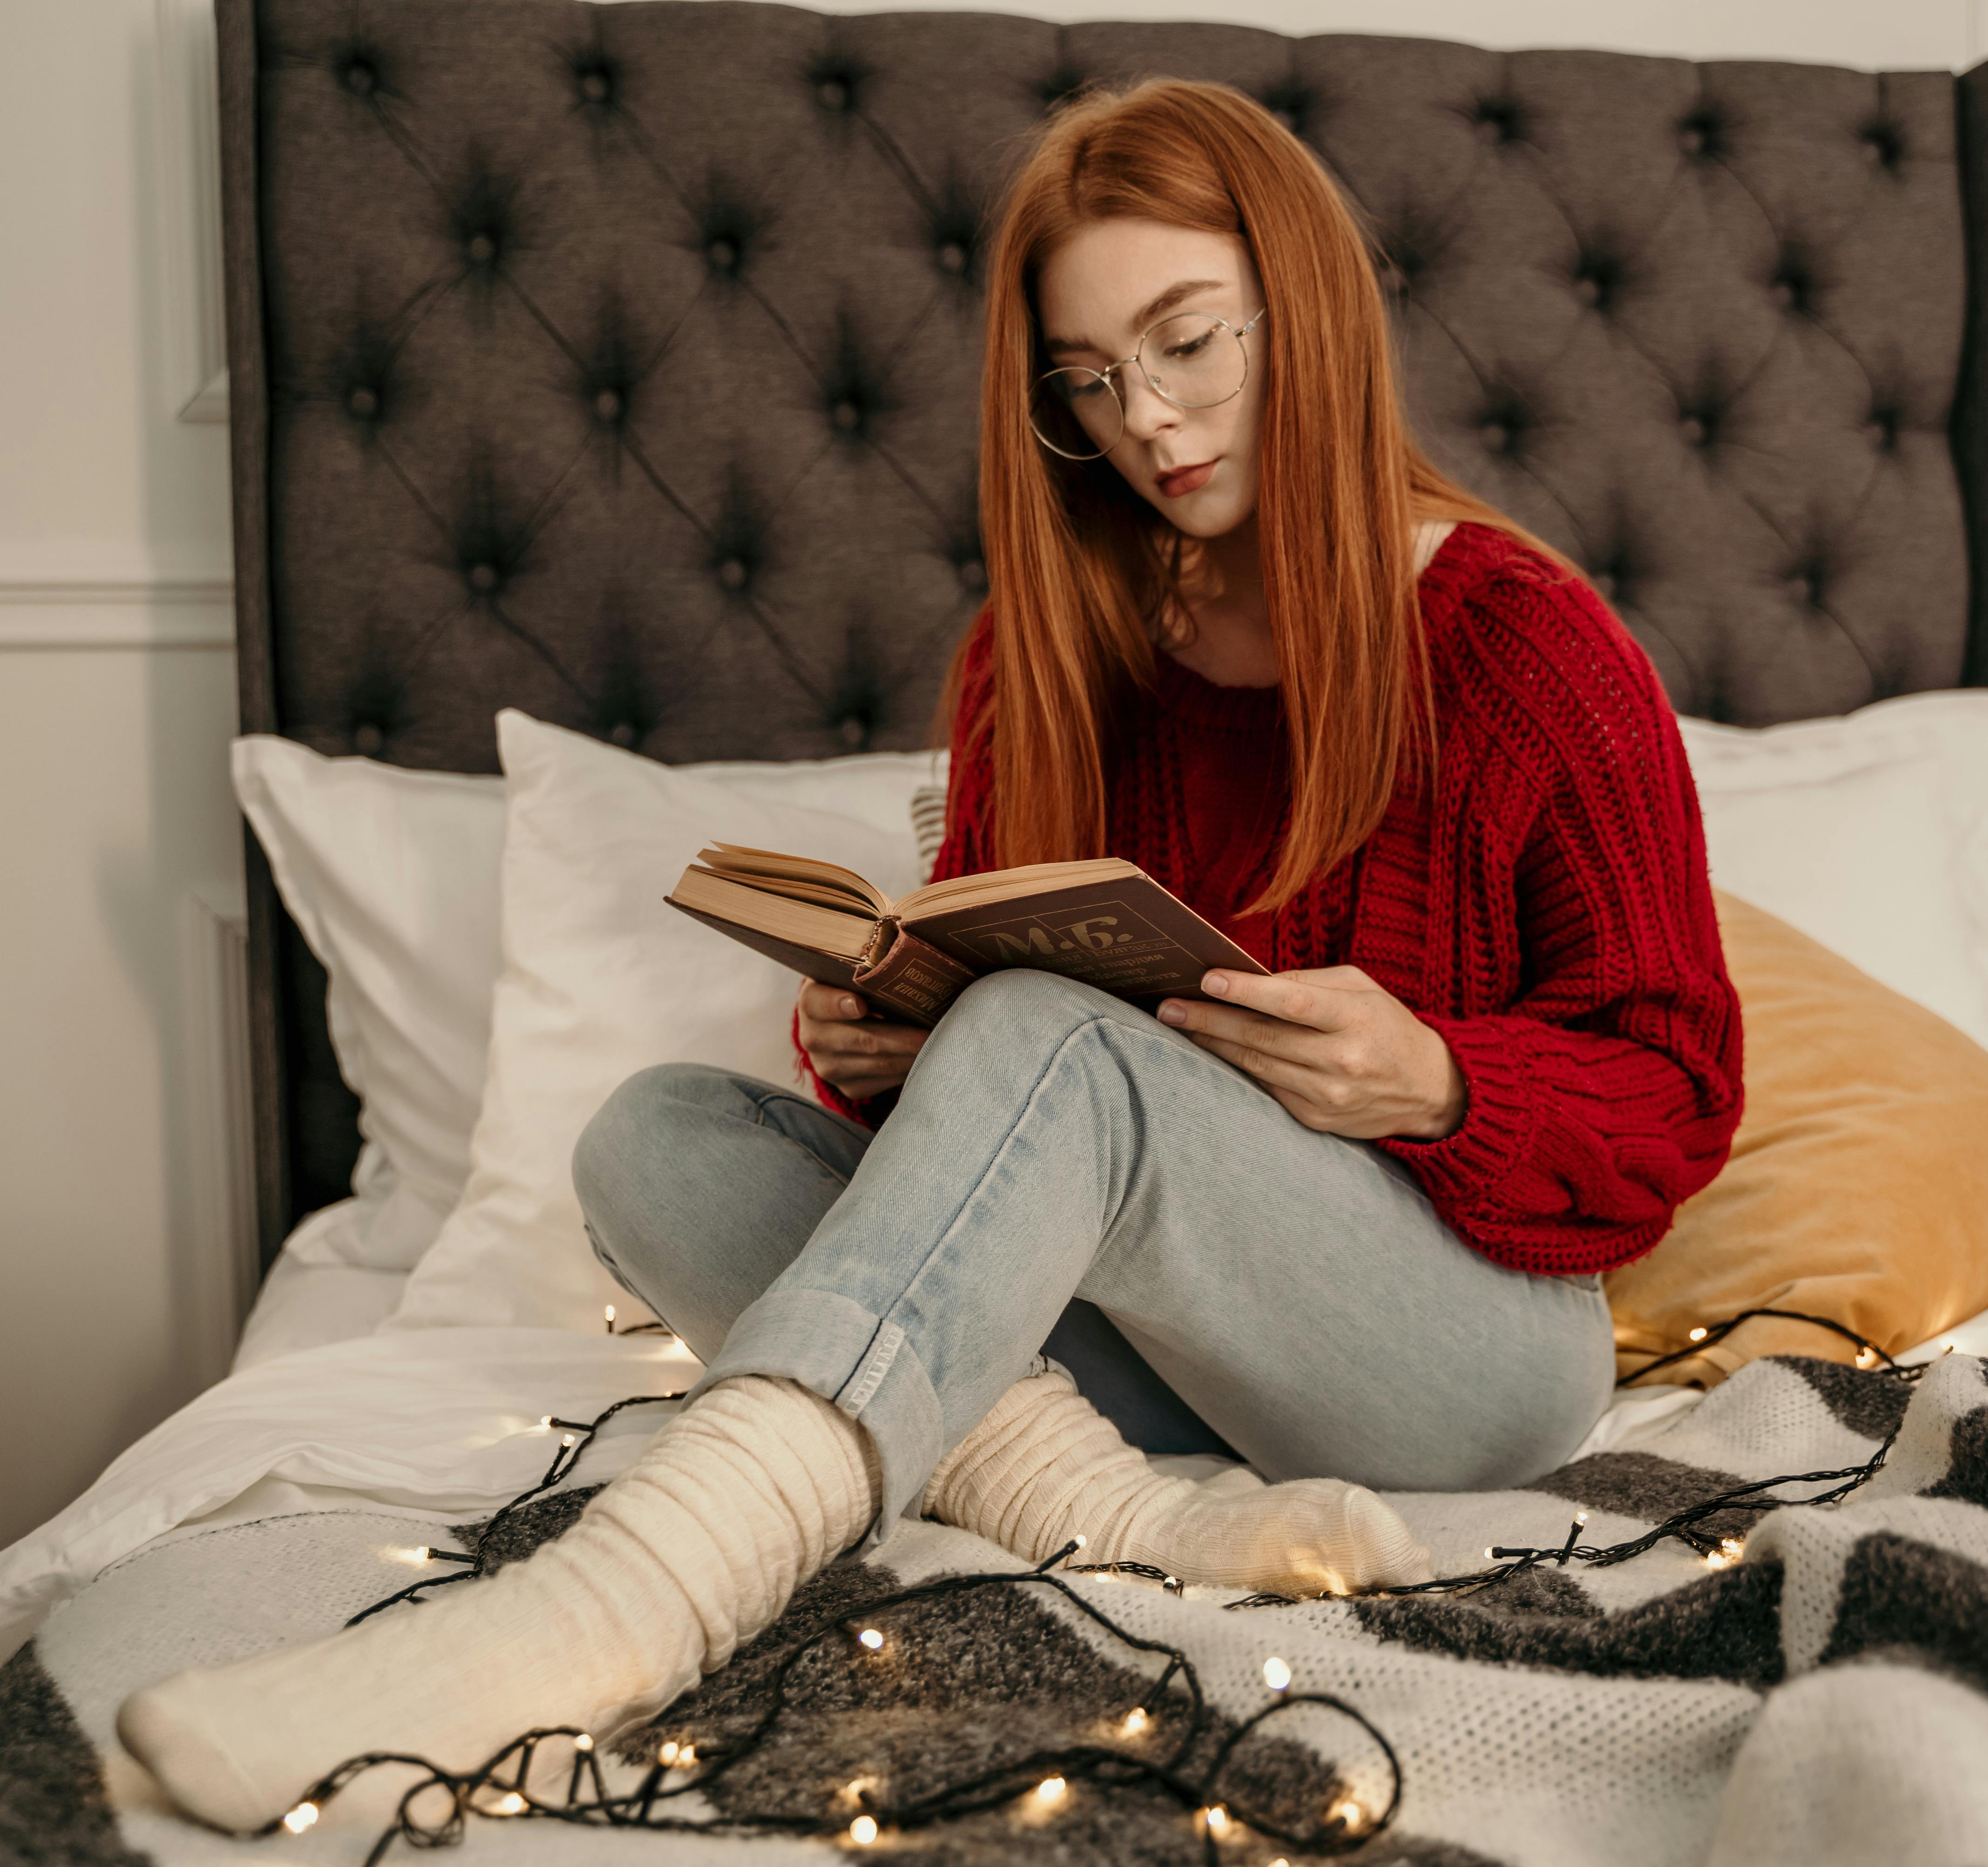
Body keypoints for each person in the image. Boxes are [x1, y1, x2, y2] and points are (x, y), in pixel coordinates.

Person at [116, 77, 1741, 1834]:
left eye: (1192, 343)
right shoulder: (1038, 655)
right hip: (1147, 1333)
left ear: (1310, 311)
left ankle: (598, 1617)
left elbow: (1679, 1095)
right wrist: (891, 1043)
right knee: (653, 1137)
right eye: (1092, 380)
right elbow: (1002, 1054)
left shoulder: (1526, 646)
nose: (1152, 420)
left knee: (1059, 1041)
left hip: (1466, 1348)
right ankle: (1122, 1518)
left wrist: (1438, 1079)